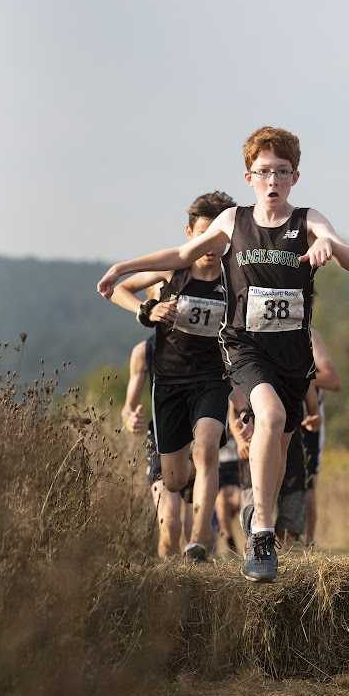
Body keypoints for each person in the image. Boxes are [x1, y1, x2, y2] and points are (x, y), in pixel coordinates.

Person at [97, 126, 349, 582]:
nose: (273, 181)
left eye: (282, 172)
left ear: (295, 177)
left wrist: (329, 245)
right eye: (264, 172)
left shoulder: (307, 219)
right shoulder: (232, 222)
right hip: (245, 347)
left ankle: (261, 512)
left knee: (277, 445)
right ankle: (260, 532)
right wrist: (125, 267)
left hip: (292, 354)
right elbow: (183, 253)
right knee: (271, 417)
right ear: (248, 177)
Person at [107, 191, 237, 562]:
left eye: (217, 238)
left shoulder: (233, 277)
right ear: (189, 234)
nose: (210, 246)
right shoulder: (173, 270)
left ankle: (198, 542)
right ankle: (192, 479)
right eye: (202, 237)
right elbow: (121, 289)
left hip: (212, 377)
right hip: (168, 382)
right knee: (176, 480)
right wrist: (147, 310)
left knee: (209, 444)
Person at [121, 329, 193, 557]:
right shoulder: (144, 351)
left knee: (196, 536)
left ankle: (193, 587)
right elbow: (127, 408)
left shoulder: (210, 341)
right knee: (170, 525)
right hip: (161, 441)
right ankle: (168, 588)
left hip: (199, 441)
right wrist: (130, 421)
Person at [301, 327, 341, 546]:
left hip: (308, 424)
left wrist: (307, 379)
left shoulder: (311, 335)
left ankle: (308, 544)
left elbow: (332, 380)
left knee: (308, 490)